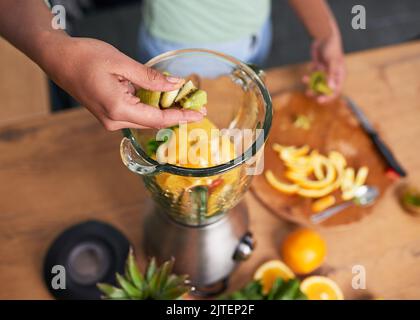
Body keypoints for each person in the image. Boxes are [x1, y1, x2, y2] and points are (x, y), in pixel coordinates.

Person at [0, 0, 345, 130]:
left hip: (256, 35)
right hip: (182, 53)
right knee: (185, 153)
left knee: (232, 127)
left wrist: (324, 30)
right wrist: (59, 55)